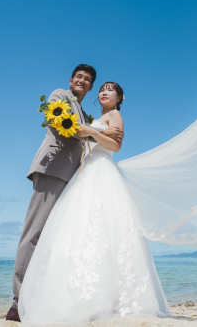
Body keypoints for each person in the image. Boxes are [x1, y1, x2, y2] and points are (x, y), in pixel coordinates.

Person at [18, 81, 169, 324]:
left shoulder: (115, 115)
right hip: (85, 172)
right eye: (102, 89)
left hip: (102, 172)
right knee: (82, 232)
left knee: (104, 229)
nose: (104, 92)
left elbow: (117, 146)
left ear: (119, 97)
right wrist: (92, 131)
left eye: (110, 90)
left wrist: (94, 133)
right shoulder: (95, 119)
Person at [7, 64, 124, 322]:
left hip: (72, 178)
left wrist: (95, 131)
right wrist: (97, 132)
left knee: (55, 239)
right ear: (71, 80)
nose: (83, 80)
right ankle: (17, 302)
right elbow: (60, 124)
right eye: (79, 77)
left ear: (90, 87)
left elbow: (86, 133)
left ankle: (40, 295)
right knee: (34, 234)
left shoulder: (84, 113)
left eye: (88, 79)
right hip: (52, 169)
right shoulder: (60, 96)